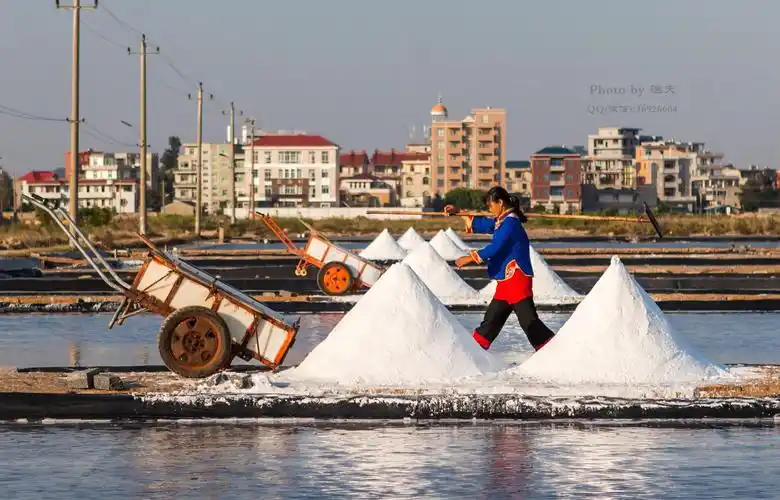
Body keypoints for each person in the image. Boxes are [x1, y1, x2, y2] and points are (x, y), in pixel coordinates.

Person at [446, 186, 556, 351]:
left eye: (491, 205)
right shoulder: (503, 221)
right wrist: (458, 212)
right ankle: (475, 351)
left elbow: (495, 247)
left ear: (501, 203)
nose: (490, 209)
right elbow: (485, 224)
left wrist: (469, 257)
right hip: (507, 281)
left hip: (517, 279)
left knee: (529, 322)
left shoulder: (510, 223)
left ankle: (553, 349)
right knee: (491, 320)